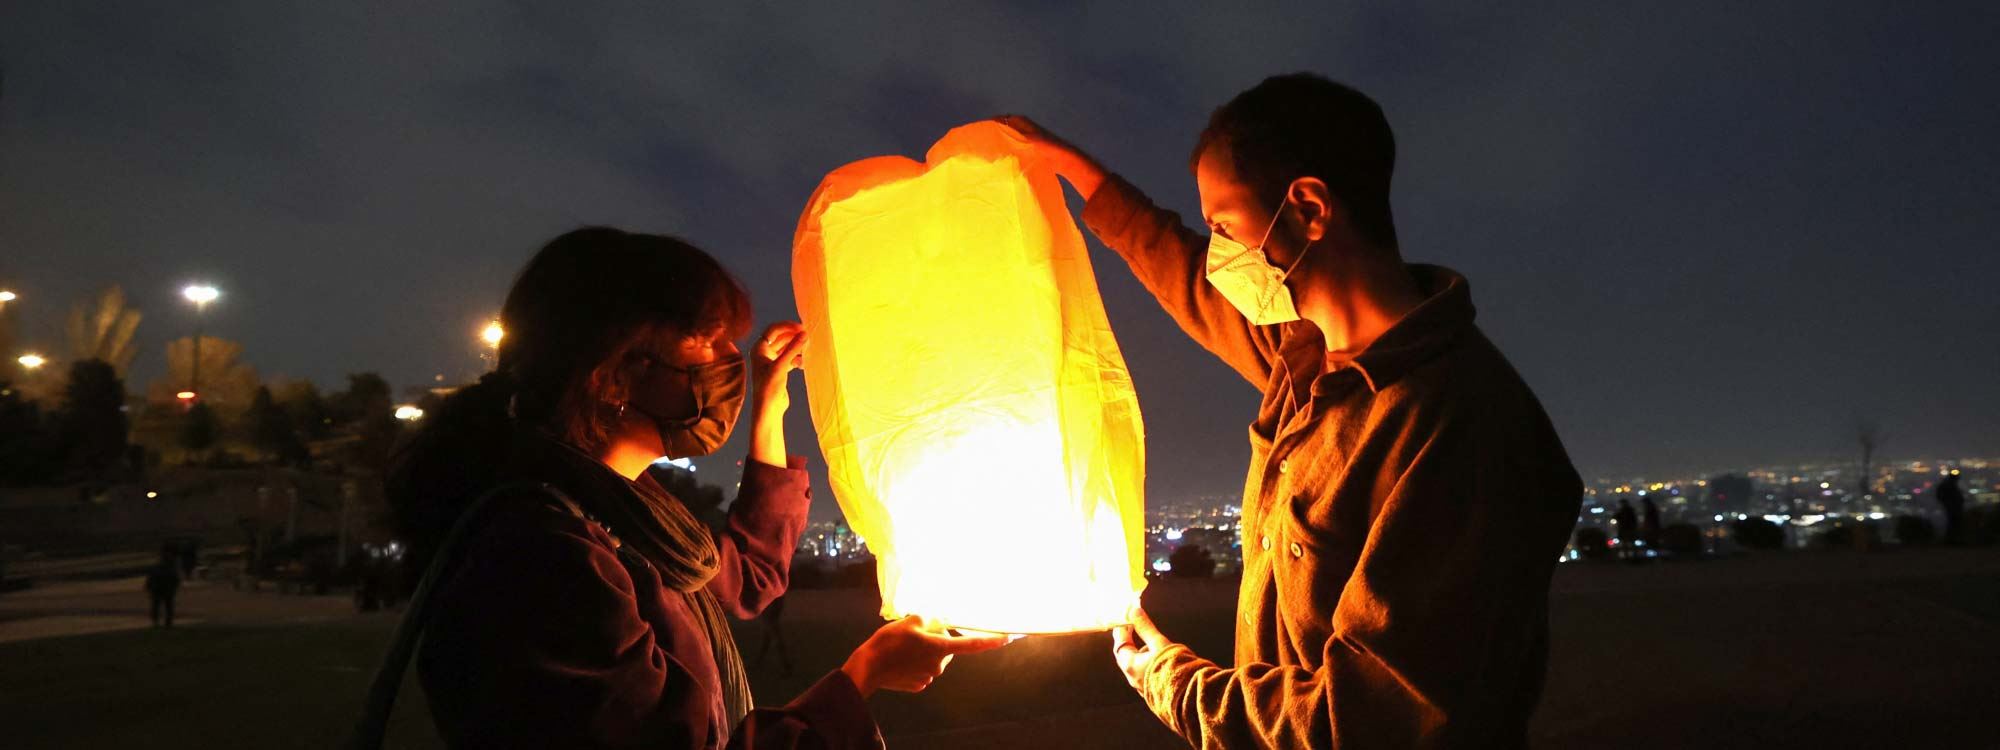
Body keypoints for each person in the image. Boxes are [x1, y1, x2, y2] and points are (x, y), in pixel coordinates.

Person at [999, 72, 1583, 748]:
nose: (1217, 254)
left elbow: (1367, 718)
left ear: (1308, 208)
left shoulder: (1455, 423)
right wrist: (1074, 171)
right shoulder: (1302, 361)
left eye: (1223, 225)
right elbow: (1179, 268)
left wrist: (1173, 682)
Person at [385, 228, 1007, 749]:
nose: (727, 360)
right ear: (623, 364)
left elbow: (747, 576)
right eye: (709, 339)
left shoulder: (631, 518)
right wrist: (862, 675)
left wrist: (770, 402)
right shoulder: (539, 555)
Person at [144, 548, 180, 628]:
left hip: (159, 590)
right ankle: (166, 622)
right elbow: (176, 579)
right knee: (167, 607)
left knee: (158, 606)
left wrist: (149, 588)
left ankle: (157, 621)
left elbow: (150, 579)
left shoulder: (157, 567)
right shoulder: (170, 568)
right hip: (165, 590)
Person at [1937, 471, 1966, 544]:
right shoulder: (1949, 485)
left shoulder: (1950, 485)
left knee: (1954, 523)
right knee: (1954, 523)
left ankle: (1952, 540)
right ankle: (1952, 540)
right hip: (1953, 507)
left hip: (1953, 507)